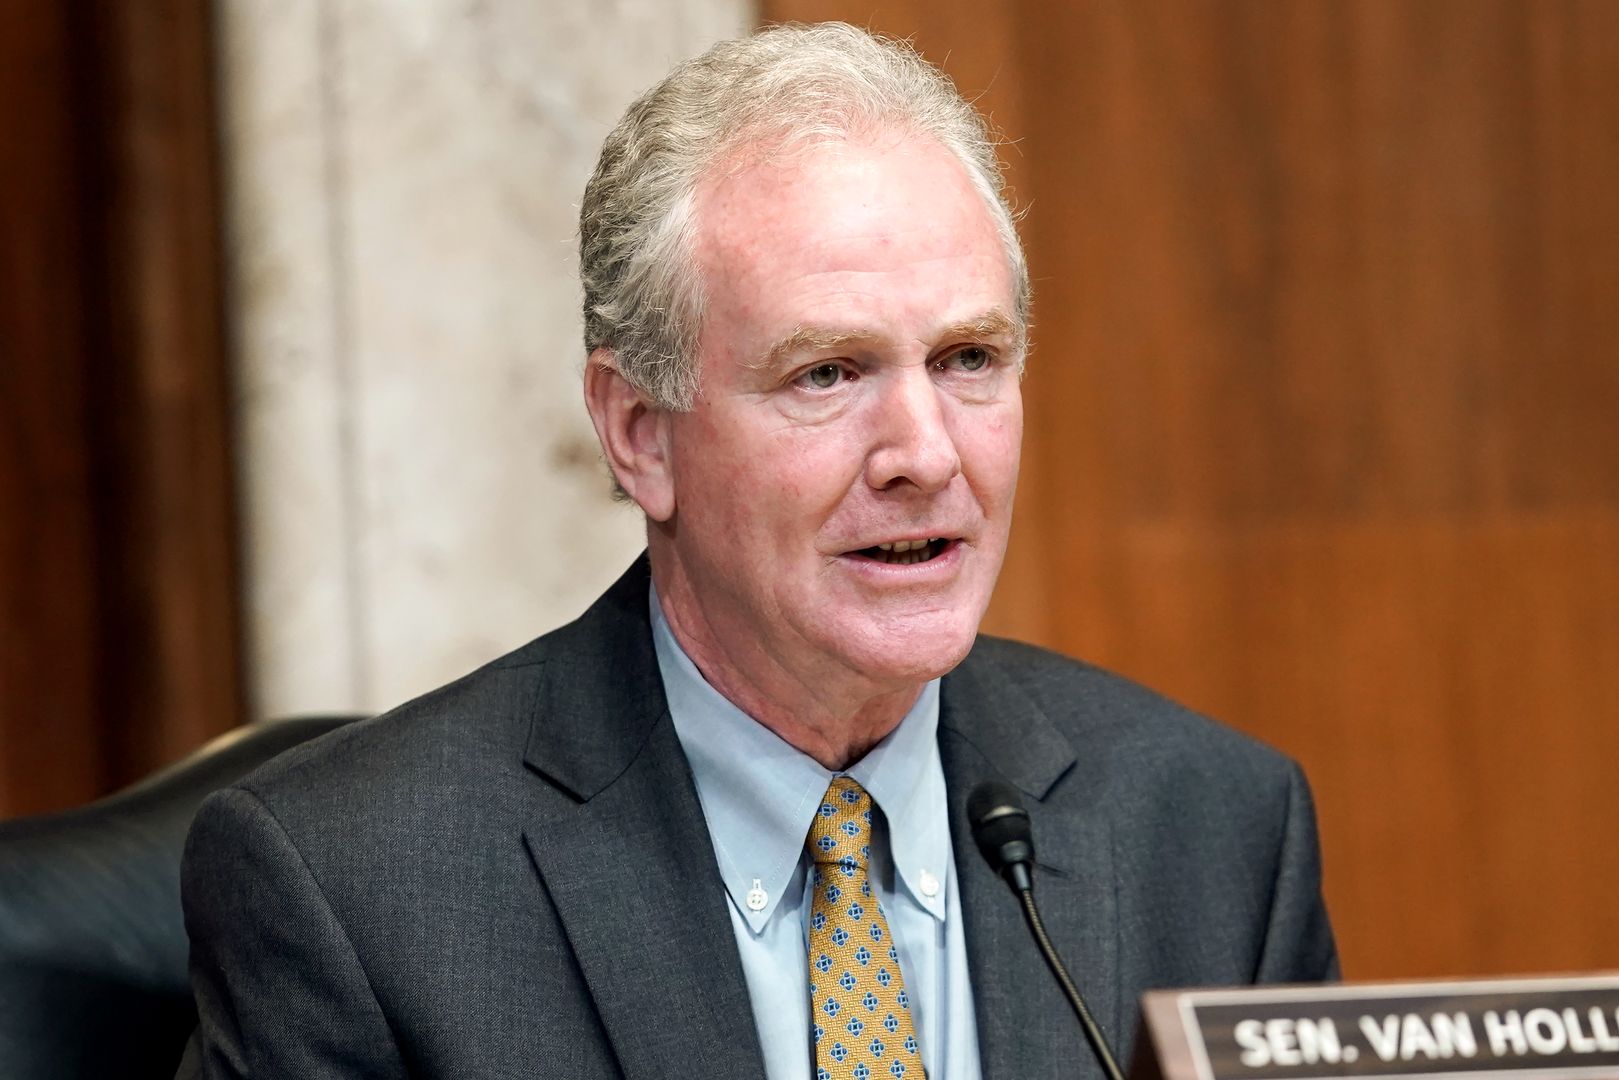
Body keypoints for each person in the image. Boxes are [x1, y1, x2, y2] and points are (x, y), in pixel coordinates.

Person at [179, 22, 1337, 1080]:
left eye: (969, 360)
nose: (925, 454)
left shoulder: (1213, 831)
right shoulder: (357, 890)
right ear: (641, 435)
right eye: (827, 373)